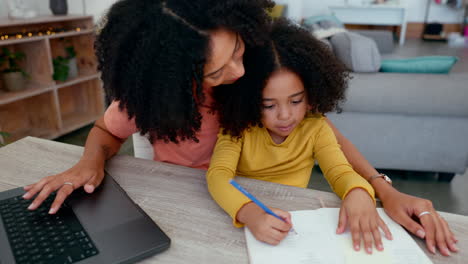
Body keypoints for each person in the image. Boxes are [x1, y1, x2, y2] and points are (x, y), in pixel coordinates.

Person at [22, 0, 457, 256]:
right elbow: (107, 131)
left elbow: (323, 134)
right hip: (179, 201)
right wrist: (89, 161)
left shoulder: (257, 70)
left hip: (253, 202)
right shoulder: (155, 92)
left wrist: (381, 188)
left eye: (238, 49)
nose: (239, 70)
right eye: (216, 71)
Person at [207, 18, 392, 252]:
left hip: (295, 218)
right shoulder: (238, 127)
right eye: (268, 105)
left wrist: (358, 191)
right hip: (245, 215)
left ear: (312, 93)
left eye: (296, 101)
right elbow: (218, 176)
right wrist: (250, 214)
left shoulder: (315, 128)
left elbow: (340, 171)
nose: (285, 116)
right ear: (249, 101)